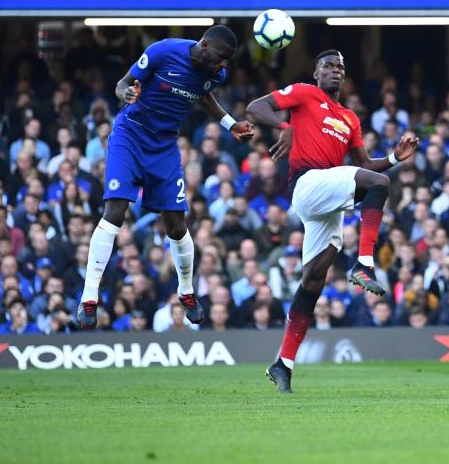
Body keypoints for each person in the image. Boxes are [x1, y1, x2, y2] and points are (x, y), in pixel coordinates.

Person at [247, 50, 419, 393]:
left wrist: (393, 158)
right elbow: (254, 108)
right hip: (308, 183)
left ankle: (283, 364)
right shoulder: (303, 93)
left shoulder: (350, 118)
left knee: (313, 281)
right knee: (380, 187)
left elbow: (364, 167)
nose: (335, 71)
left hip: (328, 199)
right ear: (316, 73)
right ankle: (365, 264)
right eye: (328, 66)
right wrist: (285, 128)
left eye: (340, 66)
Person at [75, 26, 254, 330]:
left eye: (226, 61)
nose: (223, 65)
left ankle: (186, 291)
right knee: (116, 210)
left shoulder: (215, 74)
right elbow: (122, 84)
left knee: (176, 222)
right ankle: (89, 296)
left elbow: (204, 97)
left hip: (165, 146)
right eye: (221, 58)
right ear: (205, 44)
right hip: (129, 136)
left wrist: (231, 125)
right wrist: (127, 92)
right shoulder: (163, 51)